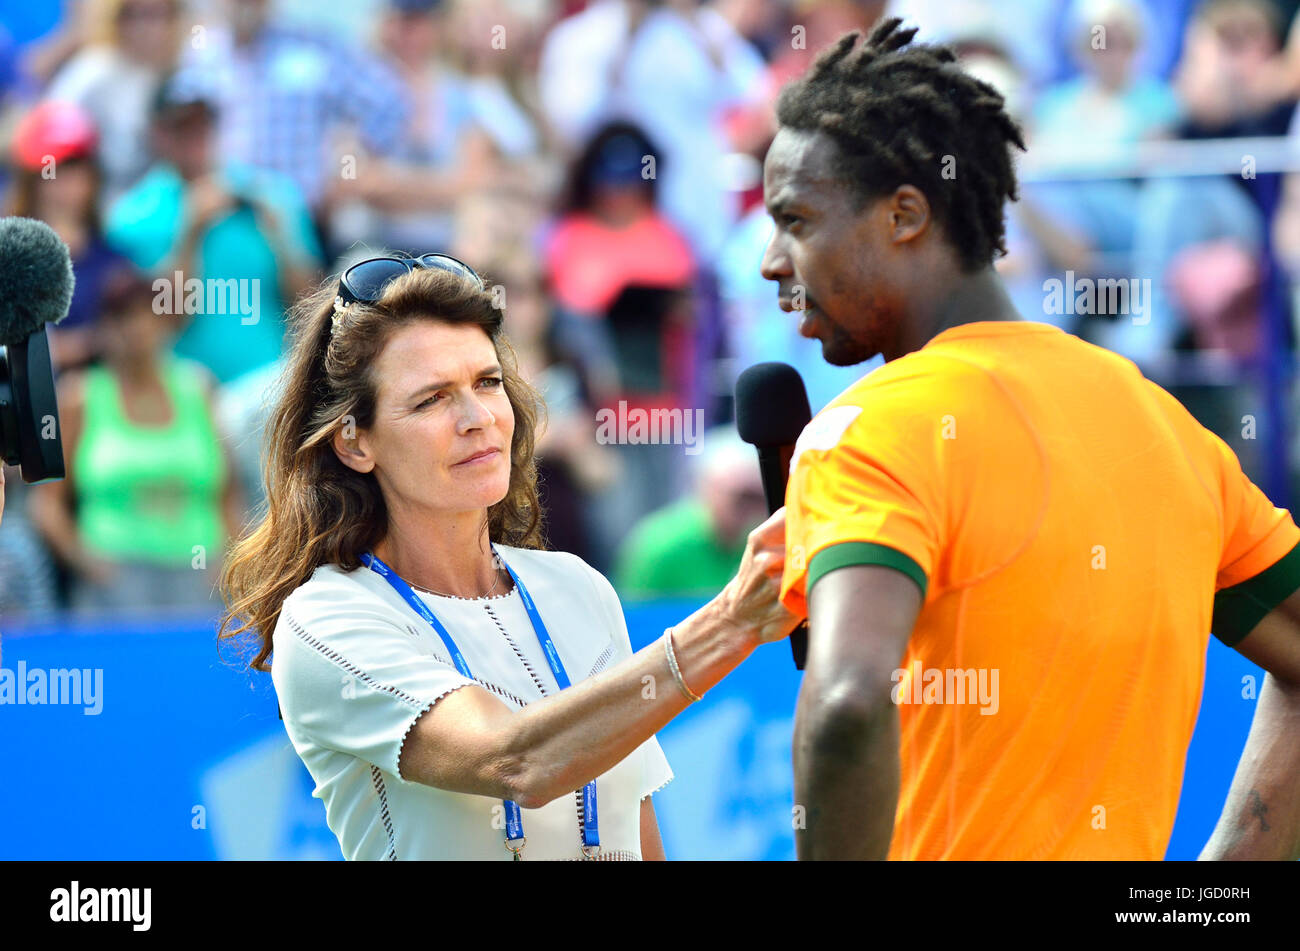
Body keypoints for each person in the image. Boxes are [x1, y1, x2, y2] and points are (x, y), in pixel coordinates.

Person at [761, 19, 1300, 860]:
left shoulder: (864, 431)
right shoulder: (1163, 422)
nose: (770, 260)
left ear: (906, 214)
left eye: (794, 219)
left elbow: (845, 700)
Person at [217, 254, 796, 861]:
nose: (478, 419)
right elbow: (516, 760)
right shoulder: (327, 617)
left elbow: (639, 834)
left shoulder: (578, 585)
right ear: (354, 443)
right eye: (431, 400)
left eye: (487, 382)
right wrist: (730, 623)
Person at [28, 264, 243, 613]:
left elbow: (229, 492)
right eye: (123, 318)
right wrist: (88, 564)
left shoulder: (199, 389)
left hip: (200, 574)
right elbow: (47, 502)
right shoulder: (79, 397)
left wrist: (229, 563)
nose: (137, 330)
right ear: (104, 328)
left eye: (147, 317)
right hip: (113, 585)